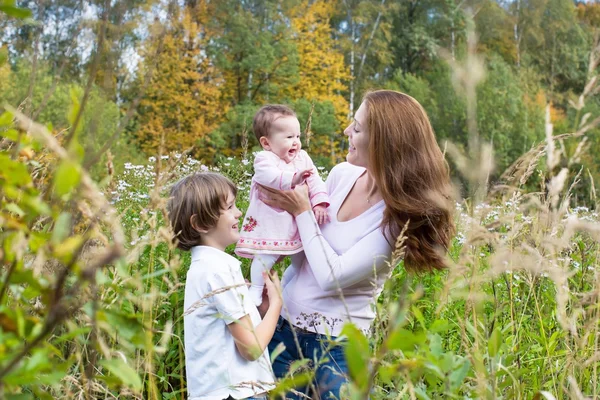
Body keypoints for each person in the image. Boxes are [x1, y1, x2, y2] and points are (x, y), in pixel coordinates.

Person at [260, 90, 456, 399]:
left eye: (358, 127)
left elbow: (332, 278)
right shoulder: (340, 175)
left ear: (384, 142)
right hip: (283, 332)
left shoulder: (397, 220)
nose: (347, 131)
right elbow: (306, 260)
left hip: (338, 350)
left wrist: (302, 212)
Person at [167, 172, 282, 400]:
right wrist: (277, 303)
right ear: (199, 223)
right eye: (229, 207)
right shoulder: (218, 270)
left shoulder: (205, 267)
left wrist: (259, 311)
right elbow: (251, 349)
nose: (239, 212)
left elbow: (229, 332)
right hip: (235, 393)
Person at [235, 105, 330, 306]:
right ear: (266, 143)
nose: (296, 142)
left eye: (297, 136)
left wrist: (320, 202)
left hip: (297, 222)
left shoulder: (303, 157)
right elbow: (267, 177)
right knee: (265, 257)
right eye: (288, 137)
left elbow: (314, 180)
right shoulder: (264, 159)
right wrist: (292, 178)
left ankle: (288, 286)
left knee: (302, 260)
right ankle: (256, 289)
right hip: (270, 220)